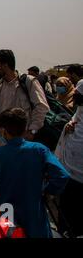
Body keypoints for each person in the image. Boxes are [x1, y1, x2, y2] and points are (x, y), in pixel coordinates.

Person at [0, 108, 69, 238]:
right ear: (25, 127)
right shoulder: (39, 149)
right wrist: (48, 191)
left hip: (7, 210)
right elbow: (62, 175)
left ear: (3, 130)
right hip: (34, 209)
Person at [0, 50, 49, 147]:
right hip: (1, 142)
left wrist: (32, 131)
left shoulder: (28, 82)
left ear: (5, 65)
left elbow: (41, 107)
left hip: (22, 142)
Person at [55, 79, 83, 237]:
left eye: (79, 93)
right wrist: (67, 129)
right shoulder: (78, 113)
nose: (76, 95)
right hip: (70, 174)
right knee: (66, 216)